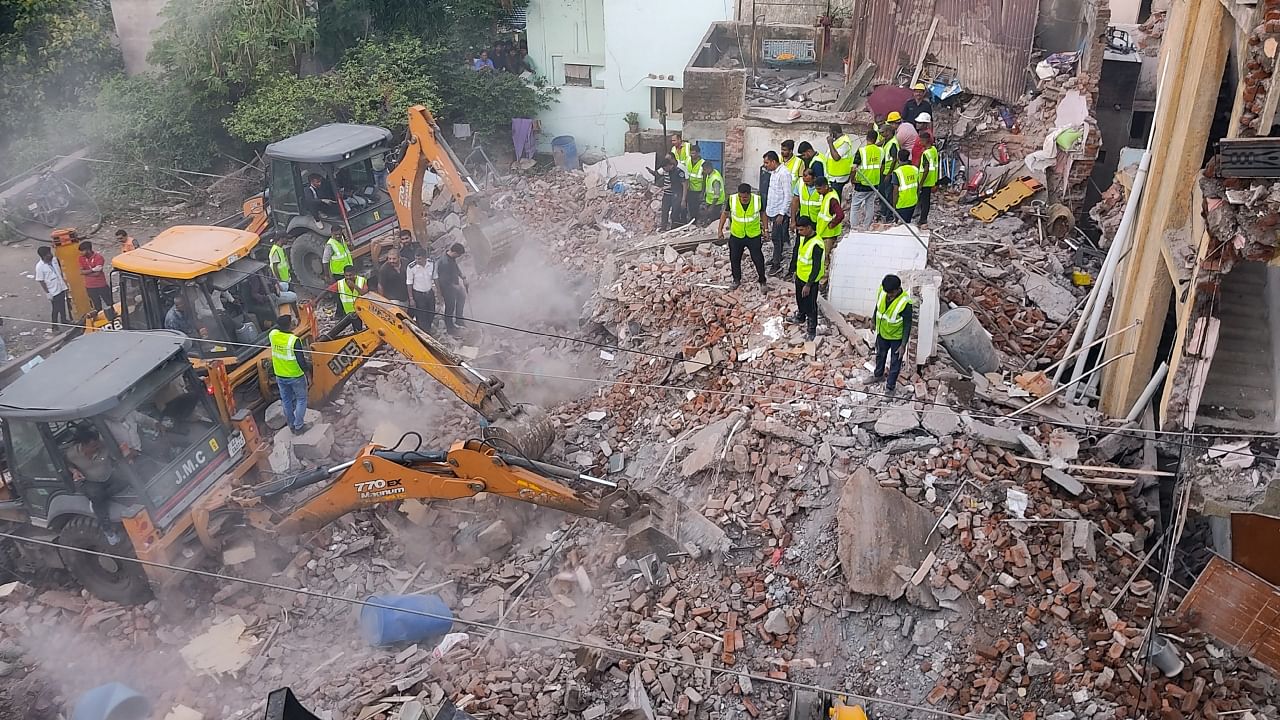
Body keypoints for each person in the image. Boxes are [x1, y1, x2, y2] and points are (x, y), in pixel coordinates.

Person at [65, 426, 124, 544]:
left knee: (124, 480)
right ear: (84, 446)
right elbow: (68, 465)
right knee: (96, 495)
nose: (97, 447)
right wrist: (74, 471)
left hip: (109, 477)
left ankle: (101, 498)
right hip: (91, 481)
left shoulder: (104, 446)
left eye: (97, 444)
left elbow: (117, 456)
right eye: (93, 446)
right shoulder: (71, 454)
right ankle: (108, 531)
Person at [717, 183, 767, 291]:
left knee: (758, 259)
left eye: (745, 197)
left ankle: (762, 280)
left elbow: (763, 214)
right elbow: (725, 214)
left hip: (753, 235)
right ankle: (736, 280)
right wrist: (720, 229)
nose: (743, 199)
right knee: (734, 258)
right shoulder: (732, 199)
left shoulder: (757, 200)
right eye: (741, 196)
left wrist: (766, 230)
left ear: (750, 194)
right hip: (736, 235)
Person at [871, 274, 913, 396]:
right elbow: (878, 306)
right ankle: (878, 375)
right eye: (887, 292)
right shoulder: (883, 291)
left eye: (891, 293)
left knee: (895, 362)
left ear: (897, 289)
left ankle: (890, 387)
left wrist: (903, 344)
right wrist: (873, 320)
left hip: (896, 338)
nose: (888, 295)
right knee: (880, 355)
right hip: (882, 333)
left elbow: (907, 324)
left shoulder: (905, 303)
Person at [270, 314, 312, 434]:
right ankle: (299, 426)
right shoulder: (294, 341)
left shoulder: (273, 335)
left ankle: (291, 425)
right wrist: (308, 374)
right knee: (301, 399)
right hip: (295, 376)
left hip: (280, 375)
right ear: (289, 326)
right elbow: (301, 361)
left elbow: (275, 328)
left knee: (286, 400)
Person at [792, 216, 824, 342]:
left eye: (801, 230)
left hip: (810, 281)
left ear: (809, 228)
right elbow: (799, 254)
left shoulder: (817, 244)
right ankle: (800, 316)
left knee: (810, 305)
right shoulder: (802, 237)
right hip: (800, 276)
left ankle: (812, 328)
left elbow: (816, 267)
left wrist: (808, 284)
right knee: (800, 299)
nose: (799, 232)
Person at [762, 151, 793, 276]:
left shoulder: (784, 174)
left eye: (767, 162)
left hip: (780, 213)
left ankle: (776, 265)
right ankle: (776, 257)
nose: (765, 165)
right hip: (773, 210)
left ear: (774, 162)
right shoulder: (774, 173)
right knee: (776, 238)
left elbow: (788, 195)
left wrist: (782, 213)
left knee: (776, 237)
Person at [789, 168, 822, 274]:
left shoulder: (821, 187)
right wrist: (793, 220)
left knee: (815, 247)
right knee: (798, 246)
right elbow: (795, 201)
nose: (805, 182)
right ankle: (793, 270)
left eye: (808, 180)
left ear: (815, 178)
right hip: (803, 221)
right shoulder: (800, 184)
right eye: (804, 178)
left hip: (817, 222)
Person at [850, 128, 883, 229]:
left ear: (867, 138)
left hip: (862, 183)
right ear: (876, 139)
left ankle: (854, 227)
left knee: (855, 206)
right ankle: (866, 226)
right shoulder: (880, 151)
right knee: (870, 204)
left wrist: (852, 179)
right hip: (874, 183)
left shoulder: (862, 151)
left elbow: (854, 167)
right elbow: (881, 166)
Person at [436, 243, 469, 336]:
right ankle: (450, 327)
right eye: (458, 255)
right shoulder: (444, 262)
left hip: (454, 285)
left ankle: (459, 319)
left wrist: (463, 277)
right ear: (454, 252)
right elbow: (443, 280)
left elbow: (456, 268)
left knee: (462, 297)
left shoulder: (451, 258)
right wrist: (456, 287)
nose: (458, 257)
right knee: (450, 306)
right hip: (446, 288)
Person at [35, 246, 70, 331]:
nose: (50, 255)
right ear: (43, 256)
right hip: (52, 290)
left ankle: (64, 320)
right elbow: (41, 281)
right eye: (48, 254)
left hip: (60, 286)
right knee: (56, 308)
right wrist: (48, 293)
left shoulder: (54, 260)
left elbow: (59, 271)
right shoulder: (39, 267)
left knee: (62, 305)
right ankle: (54, 325)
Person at [878, 113, 903, 221]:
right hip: (884, 171)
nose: (881, 134)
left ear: (888, 132)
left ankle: (888, 215)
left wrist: (889, 173)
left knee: (887, 195)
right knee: (882, 193)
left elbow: (894, 159)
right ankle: (884, 212)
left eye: (883, 132)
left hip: (889, 172)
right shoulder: (887, 141)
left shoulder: (893, 143)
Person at [651, 154, 686, 230]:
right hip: (668, 194)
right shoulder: (668, 171)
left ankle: (674, 228)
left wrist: (683, 199)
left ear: (669, 165)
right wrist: (661, 189)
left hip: (676, 194)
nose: (664, 170)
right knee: (664, 211)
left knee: (675, 212)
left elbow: (684, 184)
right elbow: (671, 184)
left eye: (664, 168)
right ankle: (663, 227)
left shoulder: (678, 172)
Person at [407, 246, 436, 330]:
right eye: (416, 258)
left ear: (425, 258)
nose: (417, 261)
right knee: (422, 316)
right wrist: (411, 298)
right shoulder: (411, 267)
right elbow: (409, 283)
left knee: (431, 313)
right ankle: (426, 333)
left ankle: (428, 328)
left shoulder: (431, 263)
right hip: (418, 295)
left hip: (429, 293)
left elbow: (434, 277)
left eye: (419, 259)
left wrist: (438, 292)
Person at [78, 241, 112, 313]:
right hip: (90, 287)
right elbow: (81, 272)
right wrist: (93, 270)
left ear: (88, 250)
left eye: (82, 251)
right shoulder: (81, 258)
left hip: (101, 285)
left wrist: (86, 273)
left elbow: (97, 273)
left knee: (110, 302)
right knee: (97, 306)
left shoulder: (99, 257)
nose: (80, 253)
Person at [825, 124, 855, 199]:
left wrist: (830, 143)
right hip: (833, 177)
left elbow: (836, 157)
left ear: (834, 133)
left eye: (830, 132)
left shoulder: (844, 142)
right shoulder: (837, 141)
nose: (829, 135)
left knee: (836, 199)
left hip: (839, 177)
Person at [891, 149, 921, 224]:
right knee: (908, 222)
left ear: (898, 158)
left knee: (901, 225)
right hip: (913, 201)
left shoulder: (897, 172)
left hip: (902, 203)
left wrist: (894, 206)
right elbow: (918, 186)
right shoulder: (915, 169)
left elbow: (895, 191)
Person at [917, 133, 940, 229]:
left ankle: (922, 219)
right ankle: (923, 218)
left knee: (924, 201)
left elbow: (926, 169)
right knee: (926, 201)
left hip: (926, 181)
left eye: (921, 140)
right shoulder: (933, 150)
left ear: (926, 140)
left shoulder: (926, 154)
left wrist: (921, 183)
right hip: (931, 180)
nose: (919, 142)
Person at [683, 144, 708, 223]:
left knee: (695, 207)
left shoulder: (702, 163)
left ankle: (695, 221)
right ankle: (688, 220)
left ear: (698, 153)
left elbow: (704, 179)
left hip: (697, 189)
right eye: (691, 153)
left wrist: (703, 192)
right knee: (688, 206)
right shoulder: (687, 160)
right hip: (688, 188)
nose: (692, 155)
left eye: (694, 153)